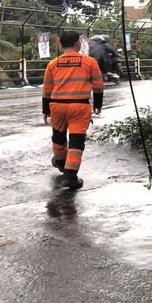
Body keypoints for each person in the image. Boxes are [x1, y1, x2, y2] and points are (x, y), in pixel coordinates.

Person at [42, 31, 104, 189]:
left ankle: (61, 162)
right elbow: (98, 85)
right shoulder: (89, 62)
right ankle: (70, 176)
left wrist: (45, 109)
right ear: (78, 44)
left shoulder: (53, 64)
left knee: (58, 136)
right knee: (76, 141)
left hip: (56, 106)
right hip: (79, 106)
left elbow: (47, 89)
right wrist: (98, 105)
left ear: (61, 44)